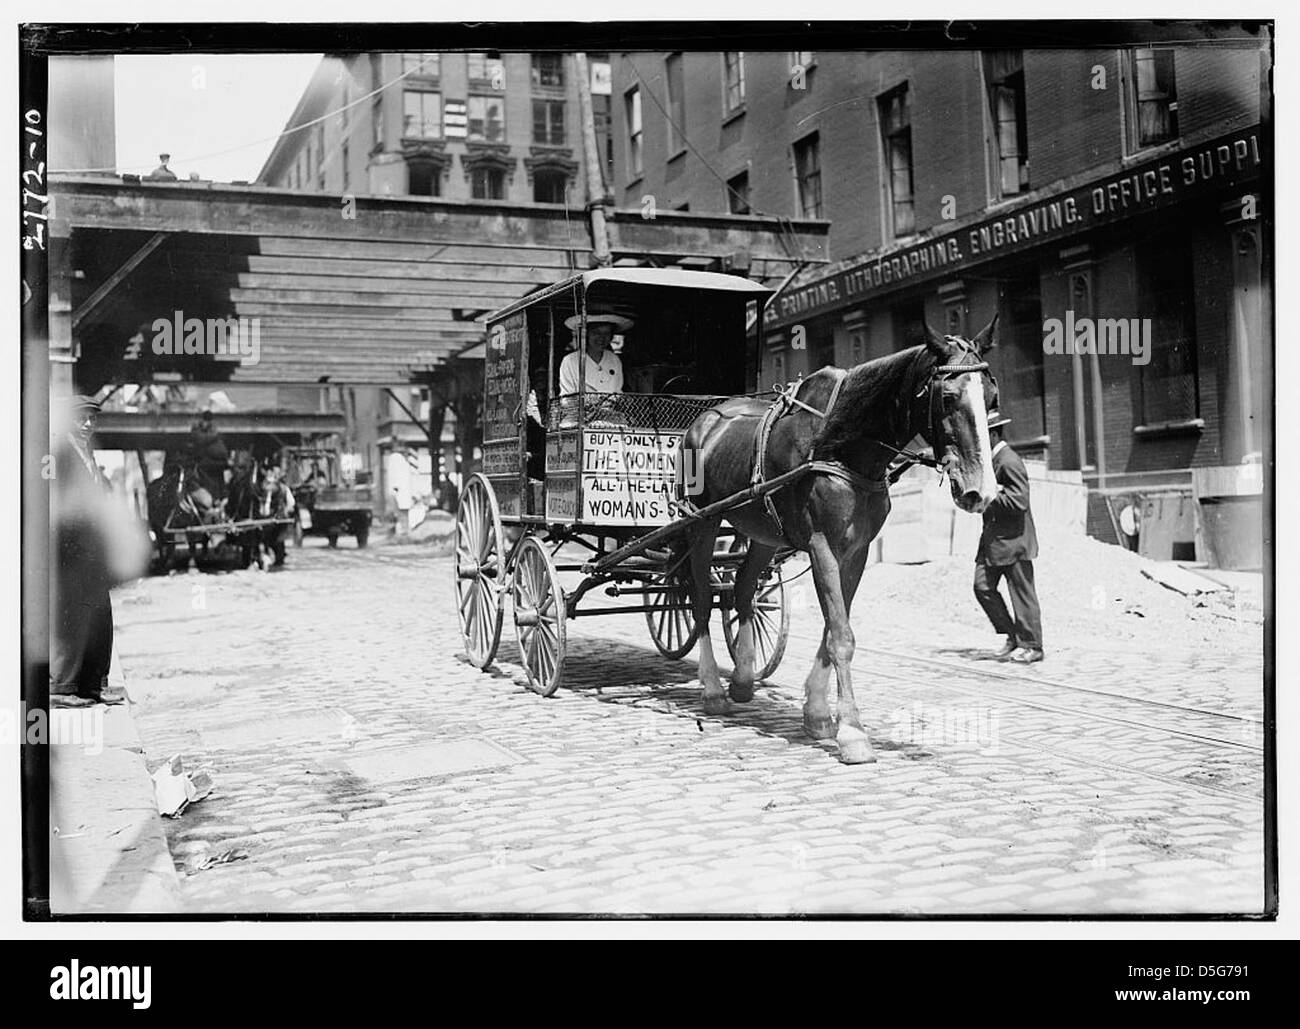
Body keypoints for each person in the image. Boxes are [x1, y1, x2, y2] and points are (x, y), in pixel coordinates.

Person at [50, 395, 149, 706]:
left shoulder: (85, 453)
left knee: (100, 617)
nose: (89, 424)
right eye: (82, 418)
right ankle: (62, 688)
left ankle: (93, 684)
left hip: (89, 550)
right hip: (66, 549)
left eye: (93, 418)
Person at [973, 408, 1044, 663]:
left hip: (1014, 541)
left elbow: (1020, 500)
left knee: (1022, 593)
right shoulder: (992, 460)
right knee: (982, 586)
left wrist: (990, 495)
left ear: (991, 434)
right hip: (994, 541)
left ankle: (1033, 646)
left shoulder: (1008, 460)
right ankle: (1013, 636)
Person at [558, 313, 630, 396]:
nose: (601, 338)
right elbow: (566, 396)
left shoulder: (614, 359)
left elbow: (617, 392)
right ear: (587, 334)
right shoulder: (570, 361)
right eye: (596, 332)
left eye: (606, 333)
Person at [257, 464, 296, 569]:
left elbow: (291, 503)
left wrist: (287, 510)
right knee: (266, 539)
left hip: (279, 518)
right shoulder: (263, 487)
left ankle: (278, 559)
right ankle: (267, 557)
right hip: (266, 517)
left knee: (278, 541)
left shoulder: (283, 489)